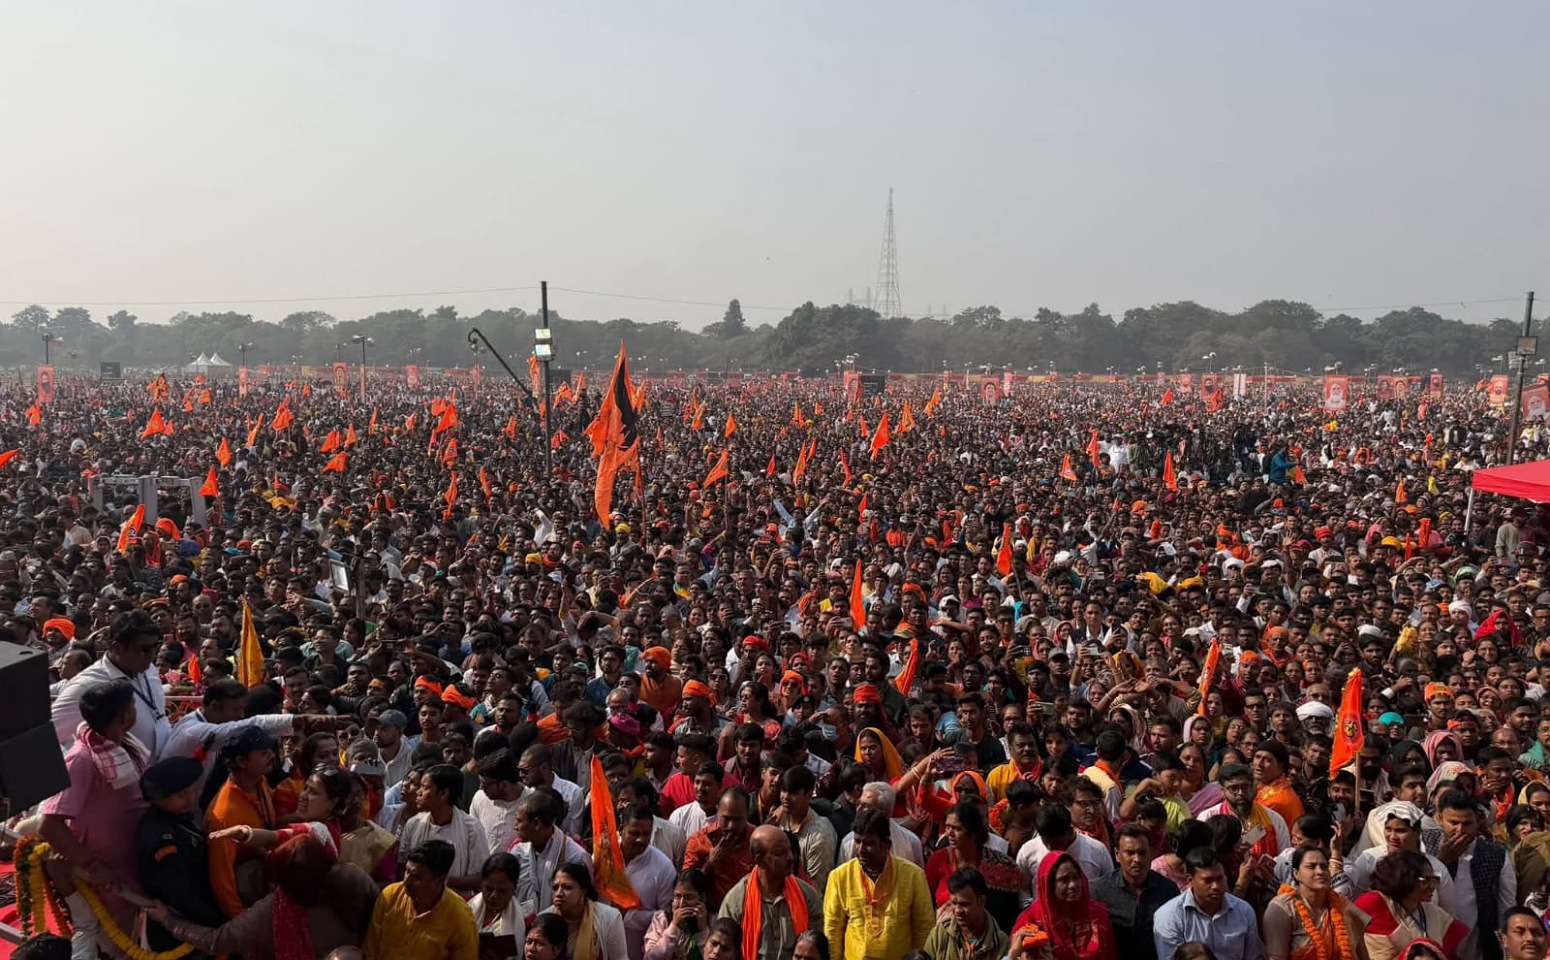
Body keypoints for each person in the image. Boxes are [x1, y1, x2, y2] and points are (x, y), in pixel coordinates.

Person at [41, 679, 152, 959]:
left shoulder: (125, 746)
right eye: (133, 706)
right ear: (124, 715)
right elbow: (50, 825)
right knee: (119, 948)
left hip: (135, 866)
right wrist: (92, 866)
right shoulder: (82, 760)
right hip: (109, 879)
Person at [148, 830, 381, 960]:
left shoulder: (274, 910)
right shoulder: (353, 878)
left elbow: (215, 941)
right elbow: (382, 913)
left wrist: (168, 920)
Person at [134, 755, 226, 952]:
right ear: (158, 799)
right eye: (181, 795)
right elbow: (182, 896)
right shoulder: (160, 838)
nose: (191, 798)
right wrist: (218, 923)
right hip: (179, 930)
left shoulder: (178, 816)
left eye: (193, 790)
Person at [50, 610, 170, 757]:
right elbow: (47, 735)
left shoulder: (148, 669)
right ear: (117, 647)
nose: (152, 655)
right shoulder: (88, 685)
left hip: (158, 769)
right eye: (144, 649)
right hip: (120, 776)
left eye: (155, 646)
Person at [824, 807, 936, 960]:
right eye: (857, 842)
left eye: (869, 843)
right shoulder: (839, 877)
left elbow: (924, 929)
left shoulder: (913, 876)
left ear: (887, 844)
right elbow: (832, 931)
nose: (861, 849)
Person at [1422, 790, 1516, 960]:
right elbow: (1418, 896)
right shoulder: (1424, 844)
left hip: (1478, 947)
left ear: (1478, 822)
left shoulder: (1495, 854)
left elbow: (1506, 907)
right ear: (1440, 818)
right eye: (1453, 822)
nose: (1460, 830)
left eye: (1466, 823)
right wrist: (1442, 861)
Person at [206, 724, 281, 918]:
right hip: (248, 892)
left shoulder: (259, 781)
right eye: (263, 753)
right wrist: (242, 924)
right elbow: (222, 881)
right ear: (241, 761)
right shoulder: (224, 816)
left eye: (270, 750)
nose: (272, 755)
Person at [719, 824, 823, 960]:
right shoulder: (736, 901)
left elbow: (818, 949)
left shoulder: (807, 896)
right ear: (759, 860)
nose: (790, 857)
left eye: (789, 850)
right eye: (780, 853)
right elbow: (724, 951)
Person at [364, 839, 479, 960]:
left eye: (416, 877)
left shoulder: (460, 918)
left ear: (439, 881)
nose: (406, 881)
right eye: (407, 872)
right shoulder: (390, 895)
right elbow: (370, 951)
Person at [925, 802, 1022, 933]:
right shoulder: (938, 860)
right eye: (947, 827)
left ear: (973, 832)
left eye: (957, 828)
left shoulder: (1002, 866)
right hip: (945, 939)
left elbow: (1008, 914)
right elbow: (926, 902)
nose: (949, 833)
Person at [1152, 848, 1265, 960]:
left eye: (1219, 879)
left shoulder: (1244, 911)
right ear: (1190, 880)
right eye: (1208, 880)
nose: (1215, 886)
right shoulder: (1169, 916)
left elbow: (1253, 956)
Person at [1352, 851, 1466, 960]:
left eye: (1434, 880)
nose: (1432, 886)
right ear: (1405, 879)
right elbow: (1346, 938)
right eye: (1426, 880)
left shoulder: (1434, 914)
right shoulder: (1373, 902)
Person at [1091, 824, 1180, 960]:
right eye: (1130, 853)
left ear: (1151, 853)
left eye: (1142, 852)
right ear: (1117, 855)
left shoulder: (1168, 891)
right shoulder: (1099, 891)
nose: (1137, 860)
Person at [400, 763, 491, 894]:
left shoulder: (471, 829)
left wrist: (440, 881)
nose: (418, 792)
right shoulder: (414, 824)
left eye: (425, 787)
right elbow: (402, 866)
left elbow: (481, 877)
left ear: (443, 794)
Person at [1263, 846, 1367, 960]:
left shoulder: (1343, 906)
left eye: (1324, 866)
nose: (1320, 872)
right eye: (1311, 867)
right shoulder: (1284, 908)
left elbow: (1362, 955)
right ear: (1296, 874)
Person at [1011, 851, 1119, 960]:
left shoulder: (1098, 915)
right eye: (1064, 880)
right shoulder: (1030, 921)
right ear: (1049, 885)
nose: (1073, 885)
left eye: (1076, 878)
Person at [514, 790, 594, 919]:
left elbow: (586, 903)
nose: (515, 826)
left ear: (536, 824)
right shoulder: (518, 853)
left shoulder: (575, 857)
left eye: (519, 821)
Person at [620, 803, 678, 960]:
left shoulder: (663, 867)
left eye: (646, 834)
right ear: (622, 829)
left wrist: (628, 916)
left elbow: (666, 915)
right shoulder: (604, 857)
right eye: (634, 833)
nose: (641, 839)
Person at [683, 787, 757, 907]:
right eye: (726, 818)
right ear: (717, 810)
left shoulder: (757, 839)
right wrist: (710, 865)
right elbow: (685, 887)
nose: (731, 826)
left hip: (750, 911)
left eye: (737, 819)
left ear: (747, 813)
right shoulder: (699, 841)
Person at [543, 861, 629, 960]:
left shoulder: (609, 918)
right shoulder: (545, 919)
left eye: (567, 887)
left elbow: (620, 958)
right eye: (555, 888)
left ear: (583, 891)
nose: (559, 893)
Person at [921, 867, 1012, 960]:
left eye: (964, 904)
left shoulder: (1000, 943)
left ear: (981, 901)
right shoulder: (940, 934)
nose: (957, 910)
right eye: (953, 903)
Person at [645, 869, 716, 960]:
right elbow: (650, 957)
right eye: (677, 897)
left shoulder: (713, 921)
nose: (681, 904)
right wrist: (674, 927)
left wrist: (703, 931)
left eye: (688, 897)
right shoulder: (661, 919)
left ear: (702, 898)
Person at [471, 853, 526, 960]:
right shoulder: (466, 909)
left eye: (502, 890)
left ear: (514, 888)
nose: (494, 895)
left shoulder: (525, 921)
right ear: (481, 884)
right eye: (489, 889)